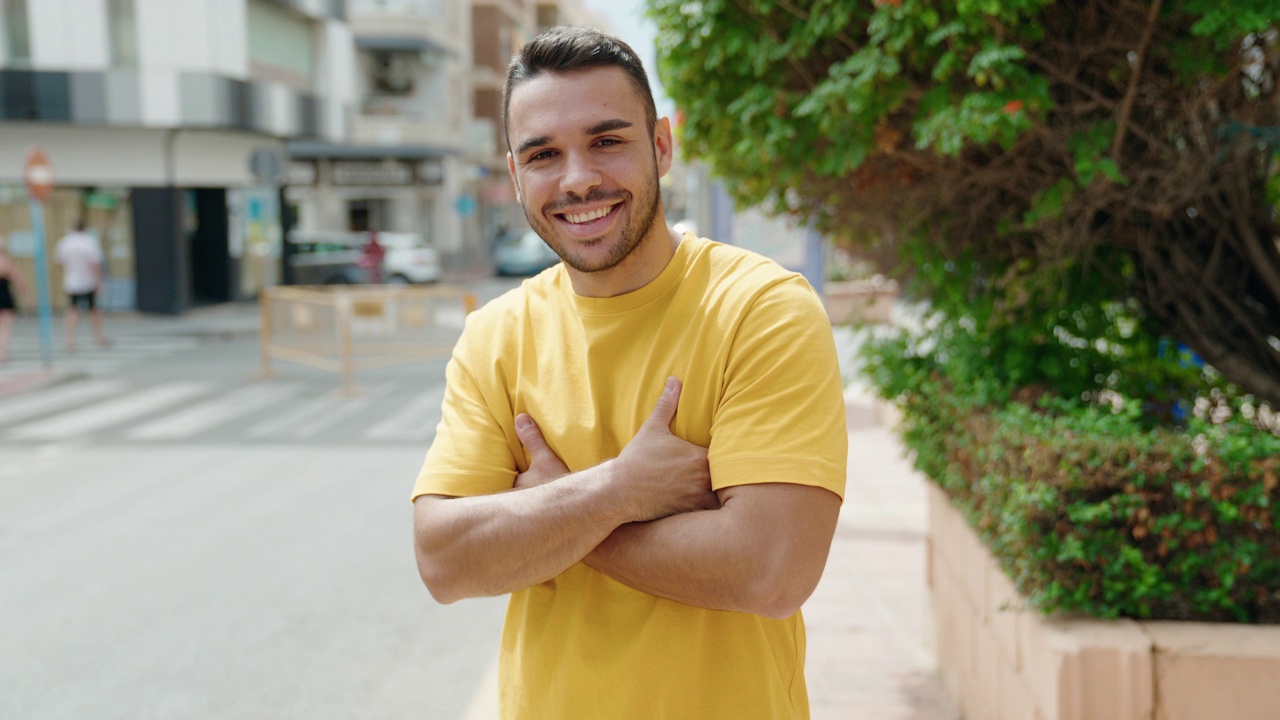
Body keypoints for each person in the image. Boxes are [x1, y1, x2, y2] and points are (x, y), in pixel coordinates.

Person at [411, 27, 848, 719]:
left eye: (607, 140)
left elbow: (771, 571)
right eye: (544, 154)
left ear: (662, 146)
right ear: (517, 175)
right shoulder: (495, 336)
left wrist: (552, 516)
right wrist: (619, 489)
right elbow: (444, 560)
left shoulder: (759, 310)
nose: (578, 177)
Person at [53, 220, 109, 351]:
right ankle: (98, 337)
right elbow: (95, 263)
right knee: (94, 310)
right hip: (88, 281)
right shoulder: (89, 242)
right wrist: (99, 281)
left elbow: (59, 262)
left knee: (72, 310)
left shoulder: (65, 242)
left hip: (71, 281)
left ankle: (70, 339)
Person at [0, 234, 30, 363]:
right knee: (5, 327)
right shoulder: (7, 261)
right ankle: (3, 352)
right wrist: (27, 294)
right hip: (4, 296)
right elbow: (18, 280)